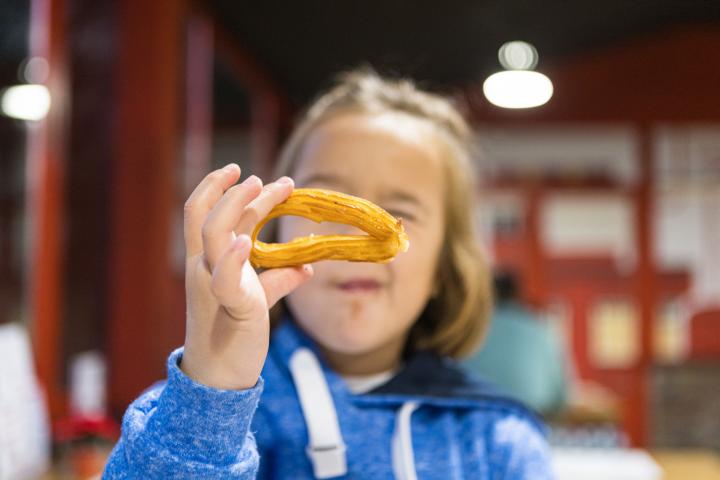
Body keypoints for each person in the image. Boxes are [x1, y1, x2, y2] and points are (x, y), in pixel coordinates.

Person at [103, 69, 554, 479]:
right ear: (274, 232)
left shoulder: (498, 444)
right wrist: (212, 384)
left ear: (443, 266)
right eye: (323, 202)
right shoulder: (181, 418)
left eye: (398, 212)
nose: (350, 228)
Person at [463, 271, 568, 415]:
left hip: (472, 418)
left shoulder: (469, 329)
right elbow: (563, 399)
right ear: (519, 296)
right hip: (532, 419)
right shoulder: (539, 330)